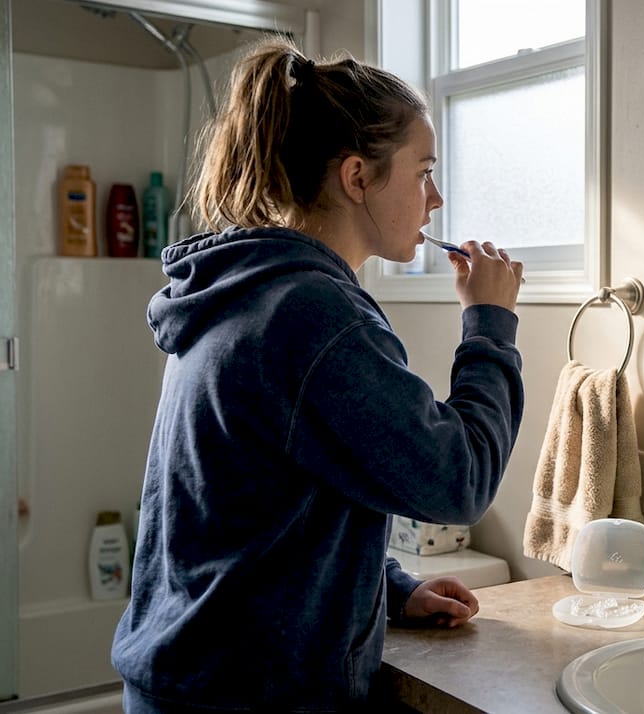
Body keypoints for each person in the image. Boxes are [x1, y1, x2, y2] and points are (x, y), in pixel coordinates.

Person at [111, 38, 525, 712]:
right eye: (422, 172)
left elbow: (266, 507)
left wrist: (391, 589)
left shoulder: (240, 288)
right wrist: (489, 323)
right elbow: (460, 479)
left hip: (191, 678)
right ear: (358, 177)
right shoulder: (314, 316)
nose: (436, 197)